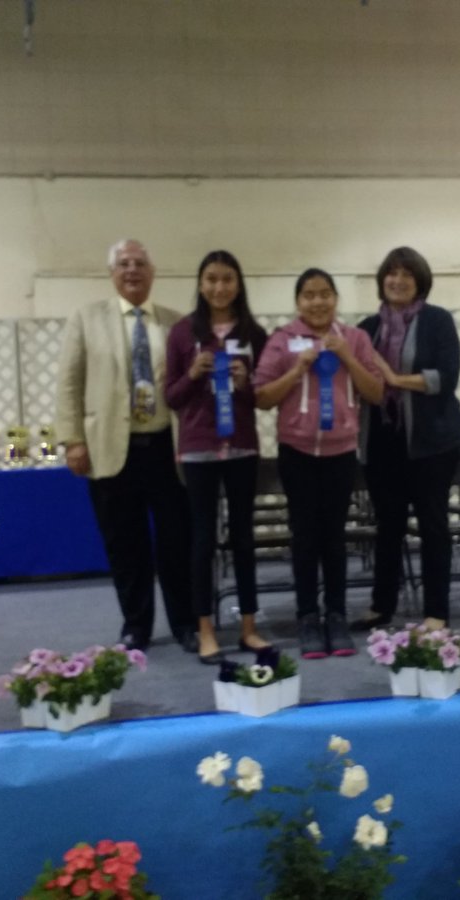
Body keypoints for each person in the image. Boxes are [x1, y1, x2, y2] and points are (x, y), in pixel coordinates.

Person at [55, 239, 197, 653]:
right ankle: (136, 626)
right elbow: (69, 382)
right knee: (125, 544)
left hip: (168, 450)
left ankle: (185, 623)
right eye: (123, 264)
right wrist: (72, 440)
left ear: (153, 273)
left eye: (140, 263)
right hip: (109, 450)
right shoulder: (86, 318)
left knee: (177, 542)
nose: (132, 270)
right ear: (112, 273)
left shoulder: (177, 323)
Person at [253, 268, 383, 659]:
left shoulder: (356, 339)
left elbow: (376, 392)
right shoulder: (282, 341)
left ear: (335, 299)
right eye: (309, 295)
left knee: (334, 538)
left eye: (325, 293)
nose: (318, 301)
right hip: (297, 452)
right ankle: (307, 617)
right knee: (304, 538)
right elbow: (261, 396)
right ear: (298, 302)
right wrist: (296, 370)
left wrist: (346, 357)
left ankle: (337, 616)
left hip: (341, 452)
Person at [351, 247, 460, 633]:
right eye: (391, 273)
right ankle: (381, 606)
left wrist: (397, 380)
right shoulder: (367, 328)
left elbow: (445, 378)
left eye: (406, 274)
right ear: (382, 280)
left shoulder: (438, 321)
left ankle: (436, 611)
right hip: (382, 441)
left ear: (420, 282)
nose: (397, 280)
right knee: (388, 527)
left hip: (432, 442)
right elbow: (358, 379)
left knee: (433, 526)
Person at [164, 250, 272, 665]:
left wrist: (245, 384)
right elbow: (171, 398)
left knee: (244, 540)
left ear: (239, 284)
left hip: (242, 447)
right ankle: (205, 627)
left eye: (227, 279)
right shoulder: (181, 334)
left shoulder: (255, 335)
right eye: (211, 279)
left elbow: (263, 398)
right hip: (198, 449)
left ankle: (249, 626)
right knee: (202, 541)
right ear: (200, 284)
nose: (219, 287)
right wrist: (192, 375)